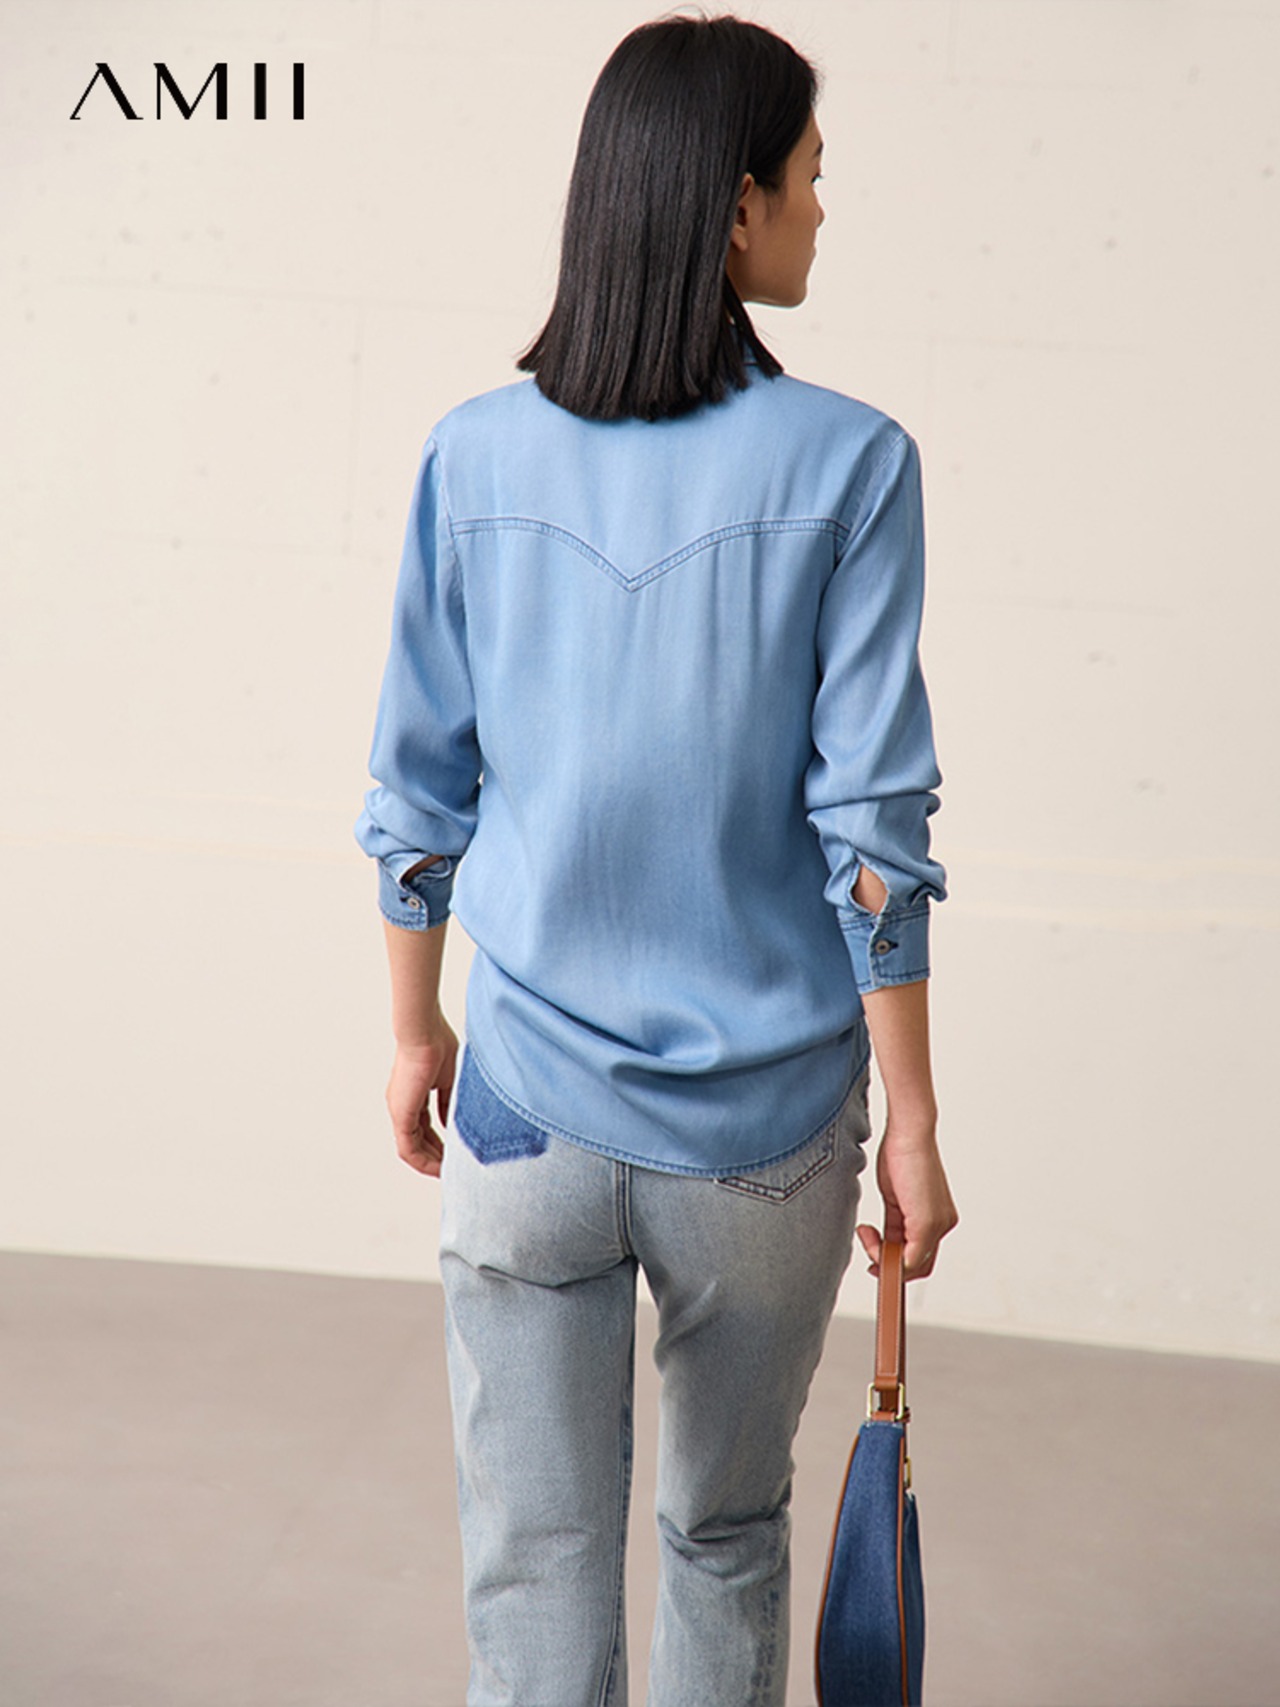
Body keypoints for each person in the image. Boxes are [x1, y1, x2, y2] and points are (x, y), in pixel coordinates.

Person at [353, 11, 959, 1705]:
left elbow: (415, 794)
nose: (823, 207)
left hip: (522, 1110)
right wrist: (915, 1121)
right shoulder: (853, 464)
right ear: (736, 205)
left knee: (534, 1561)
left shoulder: (473, 454)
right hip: (764, 1137)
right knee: (725, 1533)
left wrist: (412, 1031)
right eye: (811, 174)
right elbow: (873, 833)